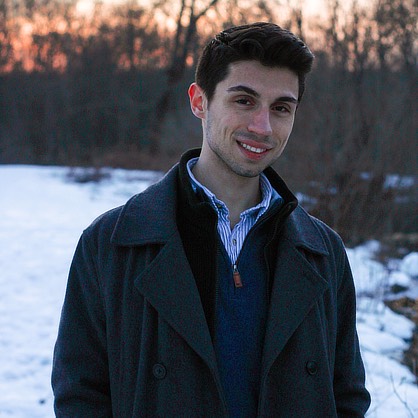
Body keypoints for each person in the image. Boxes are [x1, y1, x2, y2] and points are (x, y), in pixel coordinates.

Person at [52, 22, 371, 417]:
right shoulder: (111, 243)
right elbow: (80, 397)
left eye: (281, 108)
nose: (262, 127)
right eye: (244, 101)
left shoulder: (324, 252)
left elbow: (347, 396)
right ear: (199, 101)